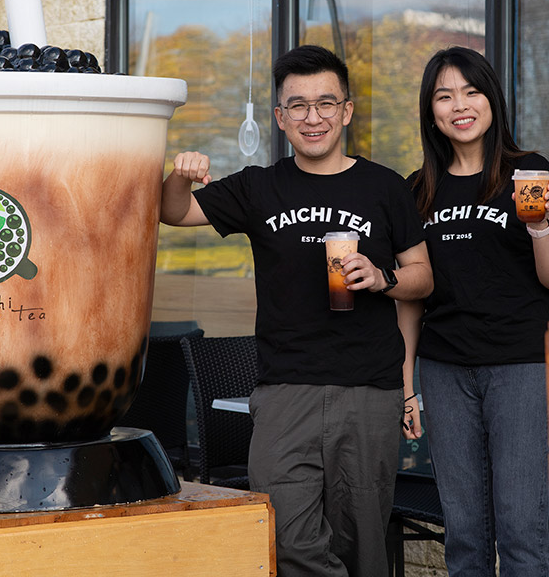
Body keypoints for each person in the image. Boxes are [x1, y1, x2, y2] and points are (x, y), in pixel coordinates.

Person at [160, 44, 433, 577]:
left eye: (326, 103)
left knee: (365, 547)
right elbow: (173, 212)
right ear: (281, 119)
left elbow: (422, 276)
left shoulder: (385, 187)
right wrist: (179, 173)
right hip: (286, 391)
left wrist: (382, 278)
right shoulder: (260, 187)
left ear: (347, 111)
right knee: (285, 539)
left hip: (369, 390)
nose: (314, 117)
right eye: (299, 106)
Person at [397, 46, 549, 576]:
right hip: (446, 368)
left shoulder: (529, 173)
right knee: (465, 532)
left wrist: (541, 226)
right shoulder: (418, 190)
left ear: (491, 100)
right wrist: (406, 384)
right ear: (431, 111)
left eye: (471, 91)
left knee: (522, 527)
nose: (460, 105)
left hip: (519, 366)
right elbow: (411, 297)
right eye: (444, 95)